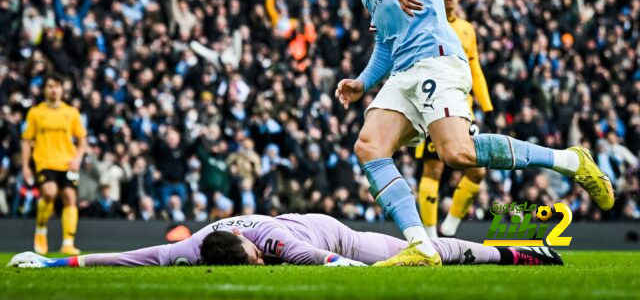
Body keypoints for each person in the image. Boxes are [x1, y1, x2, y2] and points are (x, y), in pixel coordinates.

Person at [328, 0, 613, 267]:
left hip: (435, 57)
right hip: (403, 68)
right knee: (369, 145)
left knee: (458, 154)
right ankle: (422, 247)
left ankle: (570, 160)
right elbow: (385, 41)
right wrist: (363, 81)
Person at [7, 212, 563, 268]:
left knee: (427, 253)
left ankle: (521, 251)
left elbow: (337, 268)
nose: (258, 264)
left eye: (253, 262)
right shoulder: (189, 248)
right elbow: (128, 258)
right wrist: (57, 266)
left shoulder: (277, 245)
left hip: (336, 237)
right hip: (313, 233)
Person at [415, 0, 494, 238]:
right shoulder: (426, 24)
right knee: (433, 169)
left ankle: (450, 225)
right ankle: (429, 234)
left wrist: (487, 106)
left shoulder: (467, 30)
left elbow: (475, 69)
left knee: (477, 171)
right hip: (432, 106)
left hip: (463, 110)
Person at [21, 73, 87, 256]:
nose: (54, 89)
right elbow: (26, 141)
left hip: (67, 162)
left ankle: (68, 242)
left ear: (62, 89)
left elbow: (82, 140)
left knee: (69, 196)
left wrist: (78, 159)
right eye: (50, 86)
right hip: (45, 161)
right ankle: (41, 229)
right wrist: (26, 166)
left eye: (57, 86)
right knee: (49, 193)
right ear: (44, 89)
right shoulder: (35, 113)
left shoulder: (71, 112)